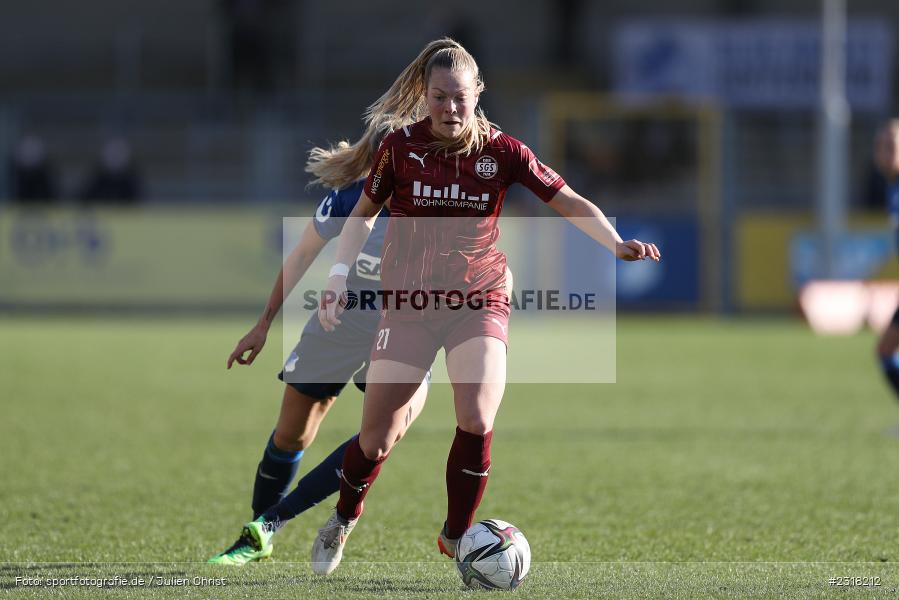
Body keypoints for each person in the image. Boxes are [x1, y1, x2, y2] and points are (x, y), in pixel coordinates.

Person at [233, 37, 660, 575]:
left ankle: (456, 535)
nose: (449, 109)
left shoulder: (504, 151)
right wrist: (339, 276)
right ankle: (344, 516)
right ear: (425, 96)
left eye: (459, 97)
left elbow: (566, 197)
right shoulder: (401, 147)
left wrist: (613, 241)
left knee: (478, 417)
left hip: (478, 297)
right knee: (374, 438)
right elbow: (363, 214)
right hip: (409, 303)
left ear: (478, 93)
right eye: (438, 97)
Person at [207, 120, 432, 565]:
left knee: (381, 437)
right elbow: (302, 255)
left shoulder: (435, 204)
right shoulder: (350, 197)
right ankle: (257, 535)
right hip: (339, 324)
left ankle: (293, 522)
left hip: (404, 331)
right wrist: (263, 324)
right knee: (291, 435)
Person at [874, 120, 899, 408]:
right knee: (885, 349)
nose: (884, 153)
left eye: (891, 146)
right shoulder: (891, 188)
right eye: (880, 147)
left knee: (886, 348)